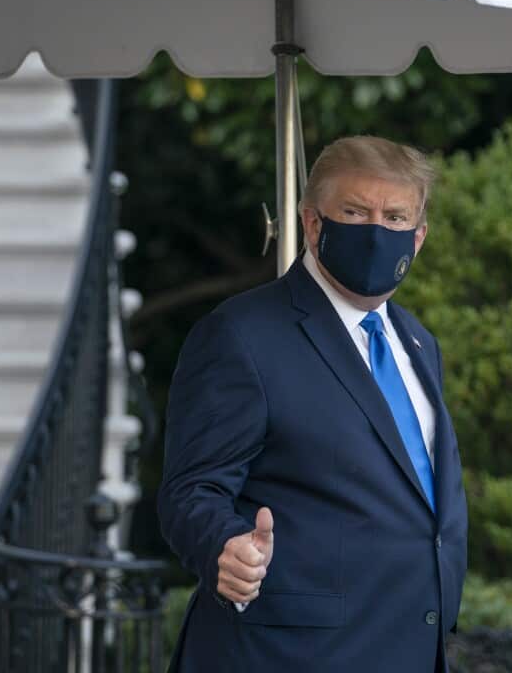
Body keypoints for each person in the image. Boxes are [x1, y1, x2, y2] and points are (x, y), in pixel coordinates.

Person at [158, 135, 469, 672]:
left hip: (406, 649)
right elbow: (191, 490)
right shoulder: (241, 335)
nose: (377, 231)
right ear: (312, 222)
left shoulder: (418, 342)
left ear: (419, 237)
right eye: (355, 211)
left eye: (396, 218)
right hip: (287, 656)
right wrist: (223, 547)